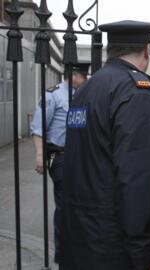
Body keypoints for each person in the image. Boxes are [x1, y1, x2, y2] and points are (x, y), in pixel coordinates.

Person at [61, 20, 150, 270]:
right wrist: (143, 253)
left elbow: (92, 156)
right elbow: (136, 179)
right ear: (147, 51)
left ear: (109, 50)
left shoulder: (87, 89)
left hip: (82, 237)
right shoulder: (136, 90)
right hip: (118, 246)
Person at [30, 61, 89, 263]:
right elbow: (38, 128)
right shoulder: (53, 95)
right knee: (65, 205)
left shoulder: (84, 93)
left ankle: (79, 250)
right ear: (73, 75)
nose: (84, 79)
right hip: (61, 157)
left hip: (82, 157)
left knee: (82, 204)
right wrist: (40, 155)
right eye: (82, 76)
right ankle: (63, 255)